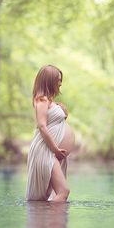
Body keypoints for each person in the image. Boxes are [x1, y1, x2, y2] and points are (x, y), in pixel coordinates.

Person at [25, 64, 75, 202]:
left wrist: (59, 107)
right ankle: (53, 223)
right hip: (46, 151)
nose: (60, 83)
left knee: (44, 197)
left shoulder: (48, 101)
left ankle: (45, 222)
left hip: (52, 152)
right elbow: (42, 126)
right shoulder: (41, 99)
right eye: (58, 79)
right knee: (63, 192)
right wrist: (55, 149)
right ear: (49, 80)